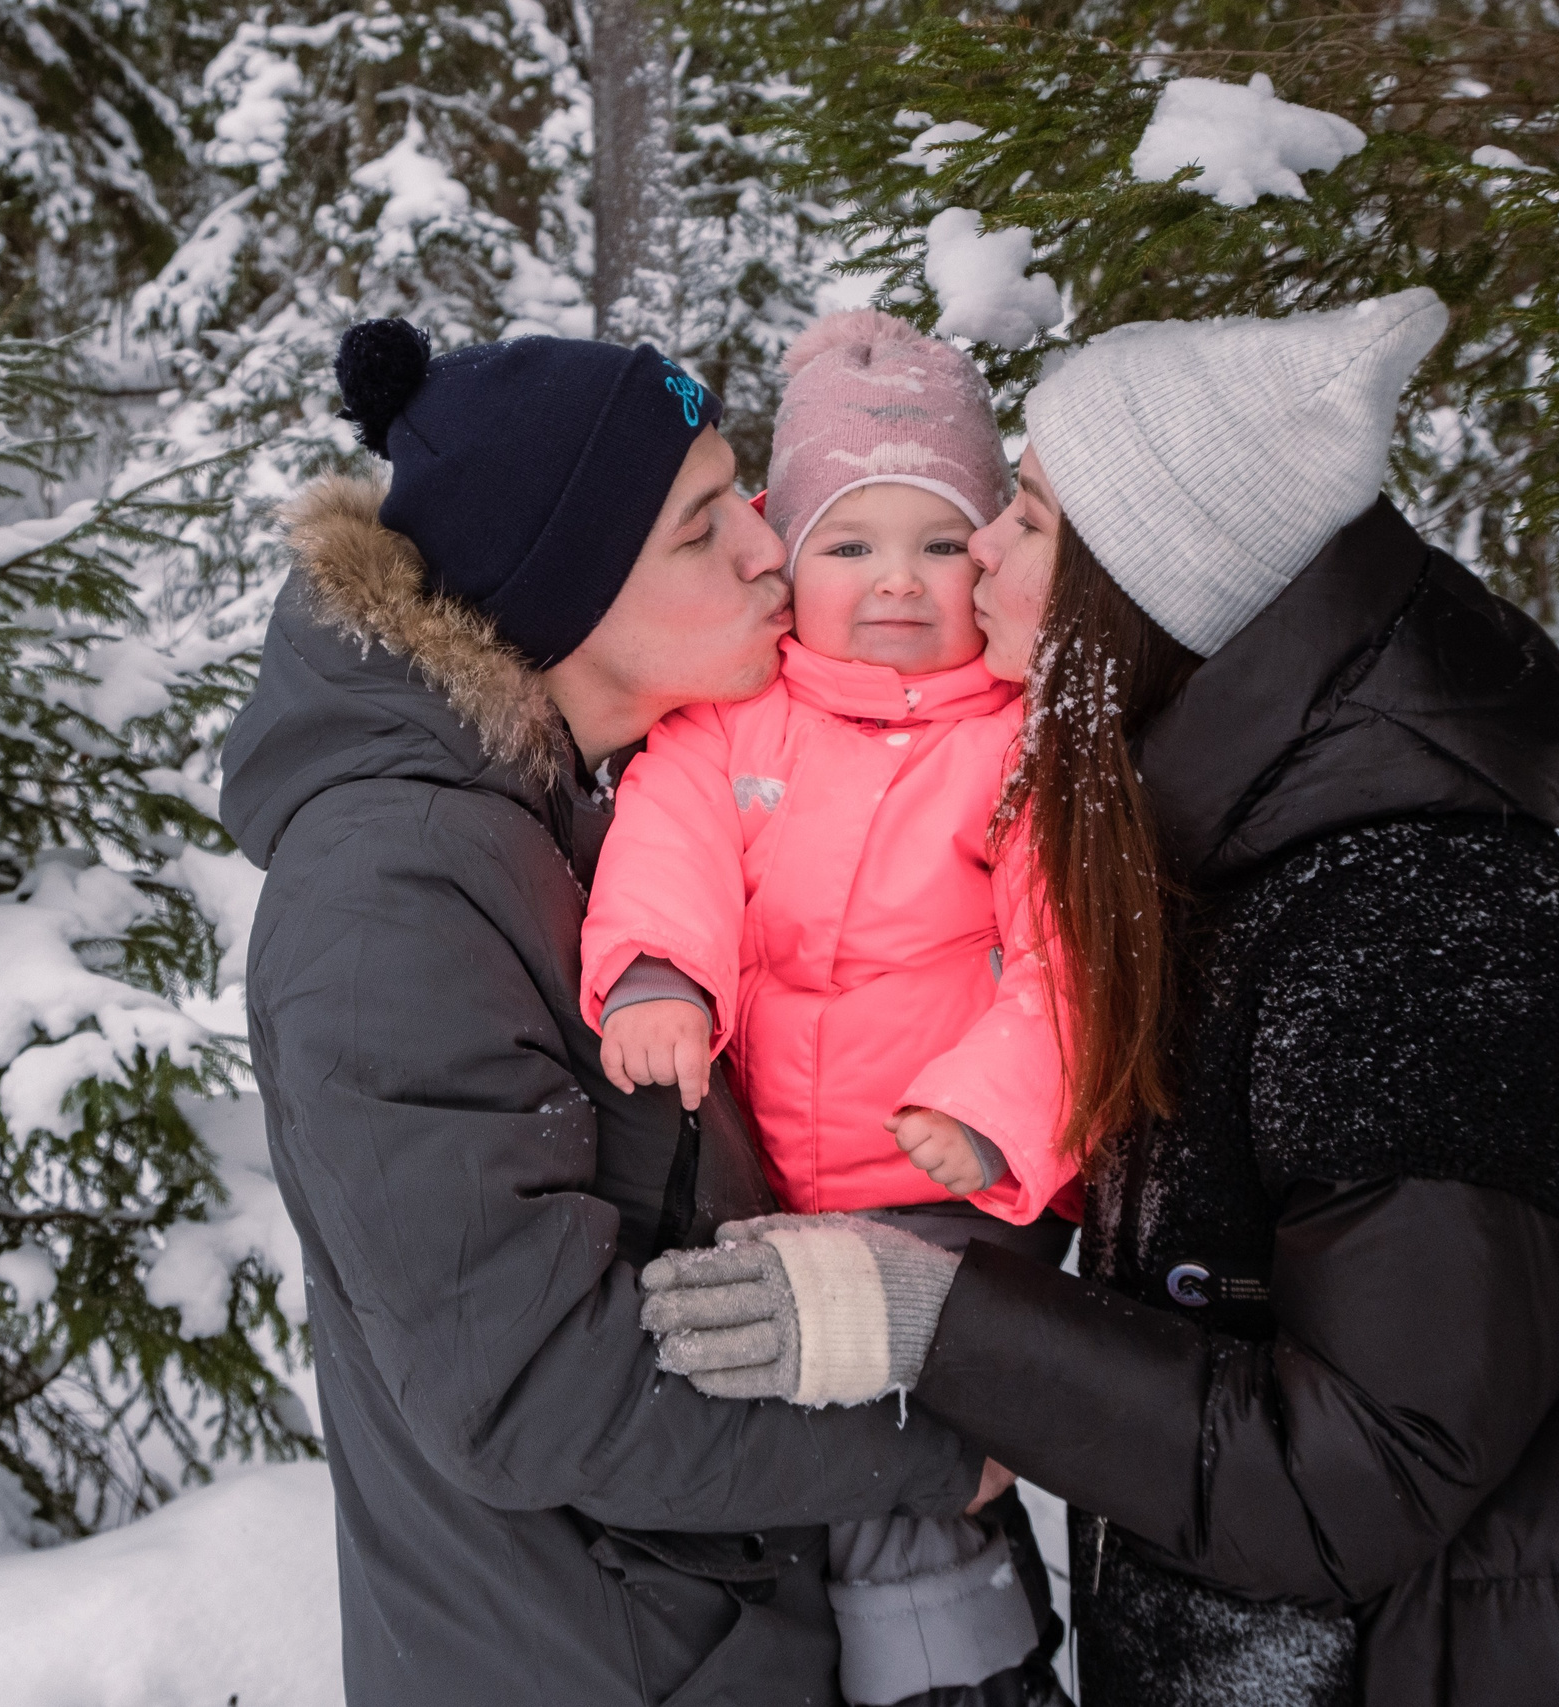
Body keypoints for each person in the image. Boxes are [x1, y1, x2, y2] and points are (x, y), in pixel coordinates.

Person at [642, 293, 1559, 1704]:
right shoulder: (1233, 853)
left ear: (1146, 589)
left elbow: (1366, 1468)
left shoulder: (1411, 927)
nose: (974, 546)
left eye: (1028, 518)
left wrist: (932, 1317)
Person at [220, 319, 1012, 1707]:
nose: (770, 548)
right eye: (704, 528)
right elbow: (529, 1390)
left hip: (702, 1636)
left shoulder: (577, 808)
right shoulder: (389, 898)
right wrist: (948, 1440)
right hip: (590, 1663)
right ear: (566, 595)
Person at [579, 311, 1079, 1707]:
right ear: (786, 560)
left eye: (941, 543)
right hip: (764, 1188)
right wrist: (661, 974)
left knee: (901, 1461)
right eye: (850, 546)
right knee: (782, 1446)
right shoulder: (735, 720)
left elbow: (1069, 965)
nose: (898, 581)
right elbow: (670, 845)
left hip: (947, 1196)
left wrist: (992, 1111)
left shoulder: (1018, 747)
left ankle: (964, 1685)